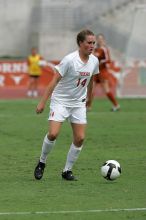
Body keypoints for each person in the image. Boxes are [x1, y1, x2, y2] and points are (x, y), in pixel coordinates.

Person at [34, 29, 99, 181]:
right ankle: (42, 162)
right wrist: (42, 102)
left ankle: (67, 171)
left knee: (80, 138)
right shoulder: (70, 60)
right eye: (89, 43)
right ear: (80, 43)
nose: (92, 46)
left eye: (93, 43)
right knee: (53, 134)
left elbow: (91, 81)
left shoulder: (94, 61)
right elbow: (54, 81)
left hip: (78, 104)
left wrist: (90, 99)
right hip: (60, 102)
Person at [88, 33, 120, 112]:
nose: (99, 40)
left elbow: (108, 60)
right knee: (91, 89)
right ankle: (88, 107)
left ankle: (116, 105)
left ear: (103, 40)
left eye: (101, 39)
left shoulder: (104, 49)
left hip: (103, 71)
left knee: (106, 90)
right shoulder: (95, 49)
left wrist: (100, 62)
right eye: (98, 39)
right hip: (96, 71)